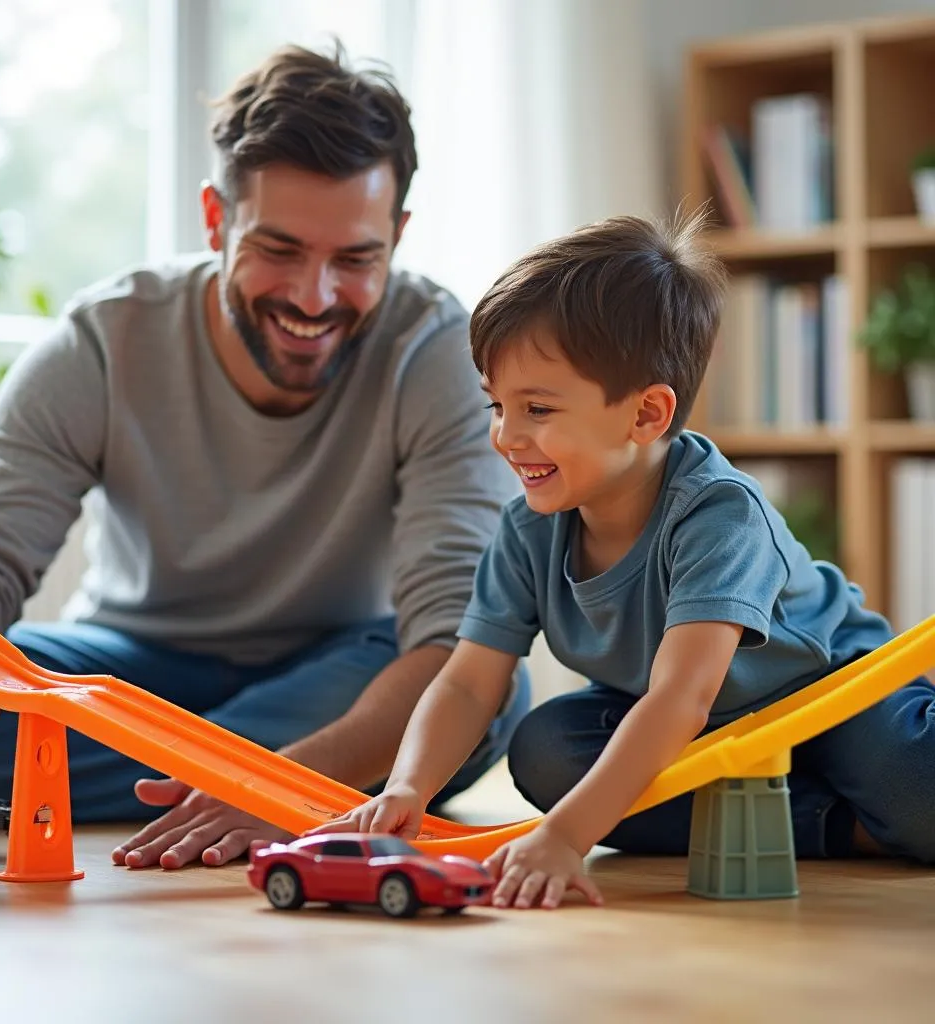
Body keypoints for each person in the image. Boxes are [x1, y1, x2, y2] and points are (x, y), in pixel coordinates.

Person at [0, 43, 528, 869]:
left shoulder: (440, 351)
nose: (315, 298)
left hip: (343, 667)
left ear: (398, 235)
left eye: (355, 259)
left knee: (487, 691)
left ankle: (258, 778)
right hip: (131, 666)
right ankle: (284, 784)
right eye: (278, 249)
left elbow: (454, 630)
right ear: (215, 219)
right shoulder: (102, 341)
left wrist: (299, 767)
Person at [315, 210, 935, 909]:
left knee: (919, 788)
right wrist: (408, 787)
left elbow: (682, 695)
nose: (505, 436)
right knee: (547, 750)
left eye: (538, 410)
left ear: (646, 415)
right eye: (496, 405)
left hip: (828, 697)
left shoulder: (718, 514)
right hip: (706, 727)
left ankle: (862, 808)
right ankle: (843, 826)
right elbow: (467, 684)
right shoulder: (529, 528)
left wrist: (568, 835)